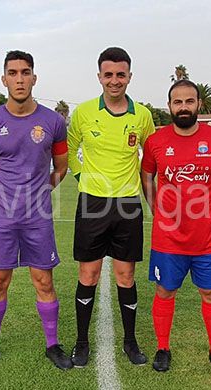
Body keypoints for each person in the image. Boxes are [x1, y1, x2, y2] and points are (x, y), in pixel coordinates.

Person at [0, 50, 72, 370]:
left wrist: (42, 192)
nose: (19, 79)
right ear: (4, 79)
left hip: (37, 218)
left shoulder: (53, 121)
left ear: (34, 78)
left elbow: (62, 167)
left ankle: (53, 345)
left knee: (43, 281)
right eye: (12, 73)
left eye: (25, 72)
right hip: (3, 218)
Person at [141, 80, 211, 374]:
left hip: (208, 237)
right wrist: (156, 208)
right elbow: (147, 177)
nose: (183, 107)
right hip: (168, 238)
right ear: (169, 106)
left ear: (199, 104)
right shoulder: (156, 142)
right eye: (177, 102)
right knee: (165, 292)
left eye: (189, 101)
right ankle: (162, 348)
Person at [67, 47, 155, 367]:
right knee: (88, 274)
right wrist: (82, 178)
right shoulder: (84, 112)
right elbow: (69, 149)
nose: (115, 80)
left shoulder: (143, 116)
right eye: (109, 74)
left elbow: (152, 157)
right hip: (92, 202)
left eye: (121, 74)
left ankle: (130, 342)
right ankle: (81, 342)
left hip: (128, 204)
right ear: (99, 77)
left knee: (126, 276)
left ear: (129, 76)